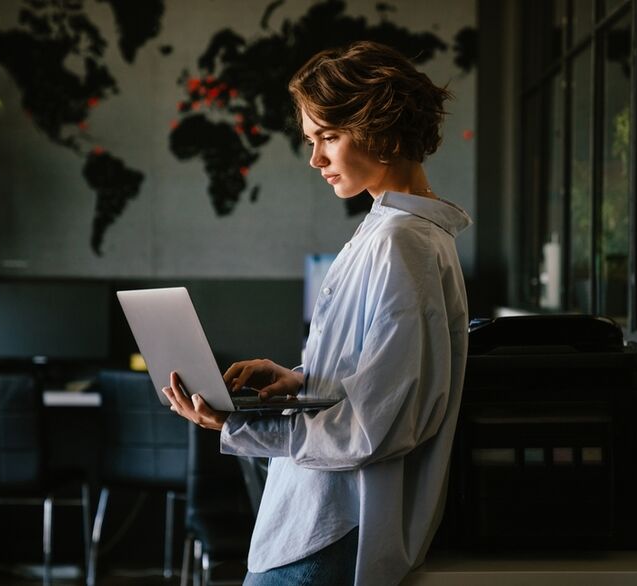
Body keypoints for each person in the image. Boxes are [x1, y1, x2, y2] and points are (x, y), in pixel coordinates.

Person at [162, 40, 471, 586]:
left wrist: (239, 426)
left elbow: (378, 425)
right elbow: (381, 375)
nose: (316, 159)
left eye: (329, 137)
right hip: (318, 517)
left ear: (385, 127)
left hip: (333, 527)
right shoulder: (388, 230)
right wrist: (301, 378)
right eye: (312, 140)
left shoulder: (403, 242)